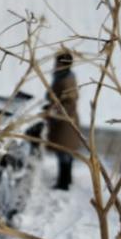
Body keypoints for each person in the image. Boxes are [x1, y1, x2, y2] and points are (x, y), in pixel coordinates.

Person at [46, 49, 80, 190]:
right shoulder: (63, 76)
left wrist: (55, 111)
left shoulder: (66, 80)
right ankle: (66, 180)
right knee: (65, 153)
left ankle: (63, 183)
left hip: (65, 122)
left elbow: (70, 102)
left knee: (64, 153)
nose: (55, 65)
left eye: (57, 63)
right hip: (64, 121)